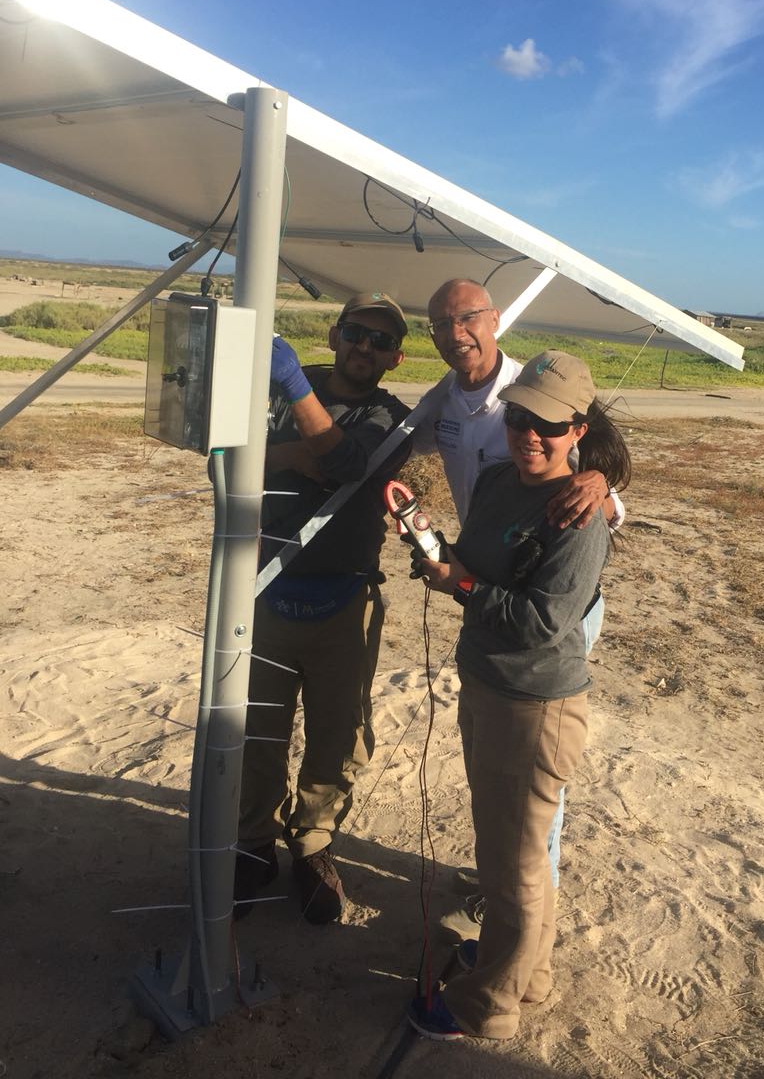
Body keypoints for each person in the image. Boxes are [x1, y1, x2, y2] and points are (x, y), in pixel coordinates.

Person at [406, 350, 632, 1040]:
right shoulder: (501, 479)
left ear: (579, 429)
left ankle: (487, 1006)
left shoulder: (581, 514)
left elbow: (542, 625)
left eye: (549, 426)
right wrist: (437, 553)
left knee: (515, 865)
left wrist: (463, 587)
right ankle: (529, 976)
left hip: (535, 706)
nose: (530, 435)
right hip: (486, 681)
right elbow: (475, 563)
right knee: (509, 850)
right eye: (520, 418)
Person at [413, 278, 625, 893]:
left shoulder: (537, 390)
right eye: (441, 324)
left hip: (547, 602)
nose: (456, 335)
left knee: (535, 766)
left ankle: (527, 894)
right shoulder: (445, 400)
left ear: (495, 319)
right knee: (499, 762)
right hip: (482, 577)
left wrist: (602, 485)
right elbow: (394, 445)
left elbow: (607, 504)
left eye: (468, 318)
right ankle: (506, 884)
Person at [234, 292, 410, 924]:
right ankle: (252, 843)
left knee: (338, 736)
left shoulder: (395, 419)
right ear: (334, 334)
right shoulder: (287, 387)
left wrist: (301, 445)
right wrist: (287, 454)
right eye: (356, 332)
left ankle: (311, 842)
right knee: (257, 727)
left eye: (381, 340)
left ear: (395, 358)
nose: (365, 346)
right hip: (265, 593)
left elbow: (343, 464)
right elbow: (226, 458)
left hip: (344, 599)